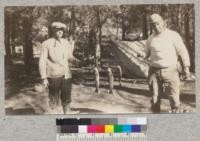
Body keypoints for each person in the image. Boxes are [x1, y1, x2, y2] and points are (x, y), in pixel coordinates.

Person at [143, 14, 191, 113]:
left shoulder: (173, 35)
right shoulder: (150, 38)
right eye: (153, 25)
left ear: (163, 23)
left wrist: (186, 67)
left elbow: (183, 51)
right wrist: (143, 57)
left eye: (158, 24)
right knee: (155, 99)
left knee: (174, 100)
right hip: (154, 72)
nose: (156, 27)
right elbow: (146, 54)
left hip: (171, 71)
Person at [39, 22, 77, 114]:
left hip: (66, 75)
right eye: (57, 30)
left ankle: (67, 115)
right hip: (53, 76)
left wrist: (77, 60)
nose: (60, 32)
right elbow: (42, 61)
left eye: (61, 30)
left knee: (67, 99)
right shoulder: (46, 43)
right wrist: (44, 78)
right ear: (53, 30)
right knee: (53, 99)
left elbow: (69, 56)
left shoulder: (65, 42)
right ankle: (53, 117)